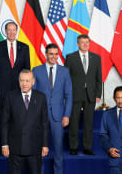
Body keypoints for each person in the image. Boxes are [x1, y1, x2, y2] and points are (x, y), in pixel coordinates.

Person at [32, 43, 72, 174]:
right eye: (51, 54)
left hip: (58, 116)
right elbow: (32, 95)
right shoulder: (36, 70)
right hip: (39, 116)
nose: (54, 57)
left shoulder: (64, 71)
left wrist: (66, 115)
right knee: (39, 149)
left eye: (56, 54)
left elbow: (69, 95)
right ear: (46, 54)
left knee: (58, 150)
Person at [0, 21, 30, 154]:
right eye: (9, 30)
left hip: (20, 89)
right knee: (2, 118)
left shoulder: (24, 47)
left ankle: (16, 146)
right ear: (5, 32)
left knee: (18, 117)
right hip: (2, 89)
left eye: (14, 30)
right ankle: (1, 146)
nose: (12, 32)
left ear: (16, 31)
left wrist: (27, 88)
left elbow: (27, 70)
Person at [1, 70, 49, 174]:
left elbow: (44, 123)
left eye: (27, 81)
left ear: (33, 82)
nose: (24, 84)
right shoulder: (10, 96)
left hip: (35, 147)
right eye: (22, 80)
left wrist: (45, 144)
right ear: (18, 82)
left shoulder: (41, 97)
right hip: (15, 147)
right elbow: (5, 122)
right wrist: (4, 144)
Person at [64, 34, 102, 155]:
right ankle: (73, 147)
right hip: (75, 94)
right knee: (74, 122)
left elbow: (98, 78)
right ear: (78, 44)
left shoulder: (96, 58)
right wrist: (67, 94)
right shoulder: (70, 57)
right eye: (82, 42)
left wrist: (98, 94)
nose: (85, 44)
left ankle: (87, 147)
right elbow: (66, 78)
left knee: (88, 123)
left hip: (90, 95)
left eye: (87, 42)